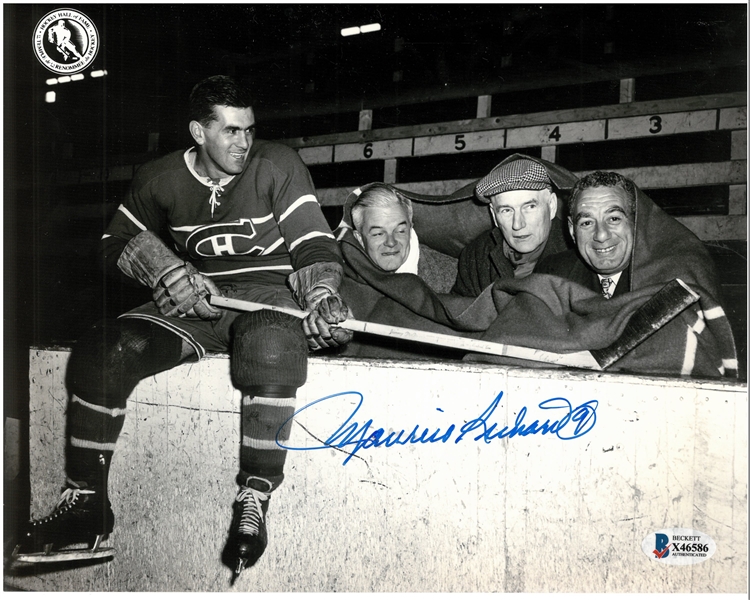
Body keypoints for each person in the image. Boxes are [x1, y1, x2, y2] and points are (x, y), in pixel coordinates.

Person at [13, 75, 352, 578]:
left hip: (267, 299)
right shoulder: (158, 178)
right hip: (193, 302)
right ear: (198, 131)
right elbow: (111, 242)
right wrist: (164, 270)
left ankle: (254, 500)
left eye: (249, 130)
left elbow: (313, 244)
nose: (244, 143)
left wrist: (322, 293)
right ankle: (87, 505)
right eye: (231, 132)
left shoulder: (276, 163)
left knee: (271, 345)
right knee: (105, 347)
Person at [451, 154, 577, 297]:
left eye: (529, 207)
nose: (518, 224)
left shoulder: (578, 250)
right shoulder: (477, 255)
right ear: (494, 215)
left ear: (552, 206)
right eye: (506, 210)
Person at [350, 183, 420, 274]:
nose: (391, 242)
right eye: (378, 234)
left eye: (400, 231)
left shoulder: (443, 274)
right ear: (359, 239)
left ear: (410, 230)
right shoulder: (339, 280)